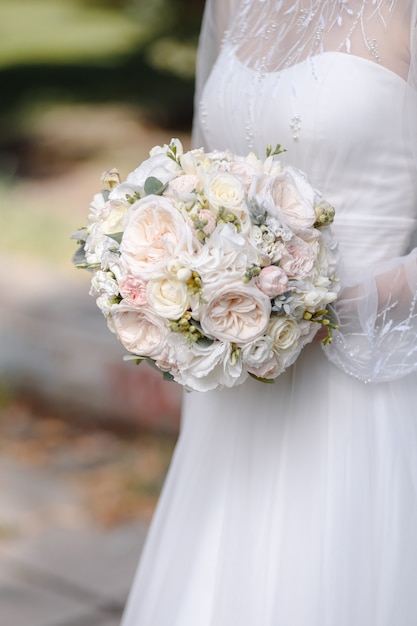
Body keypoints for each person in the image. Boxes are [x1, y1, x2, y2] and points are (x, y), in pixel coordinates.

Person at [121, 1, 417, 624]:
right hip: (238, 368)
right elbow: (196, 176)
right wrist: (179, 273)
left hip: (363, 371)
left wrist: (337, 301)